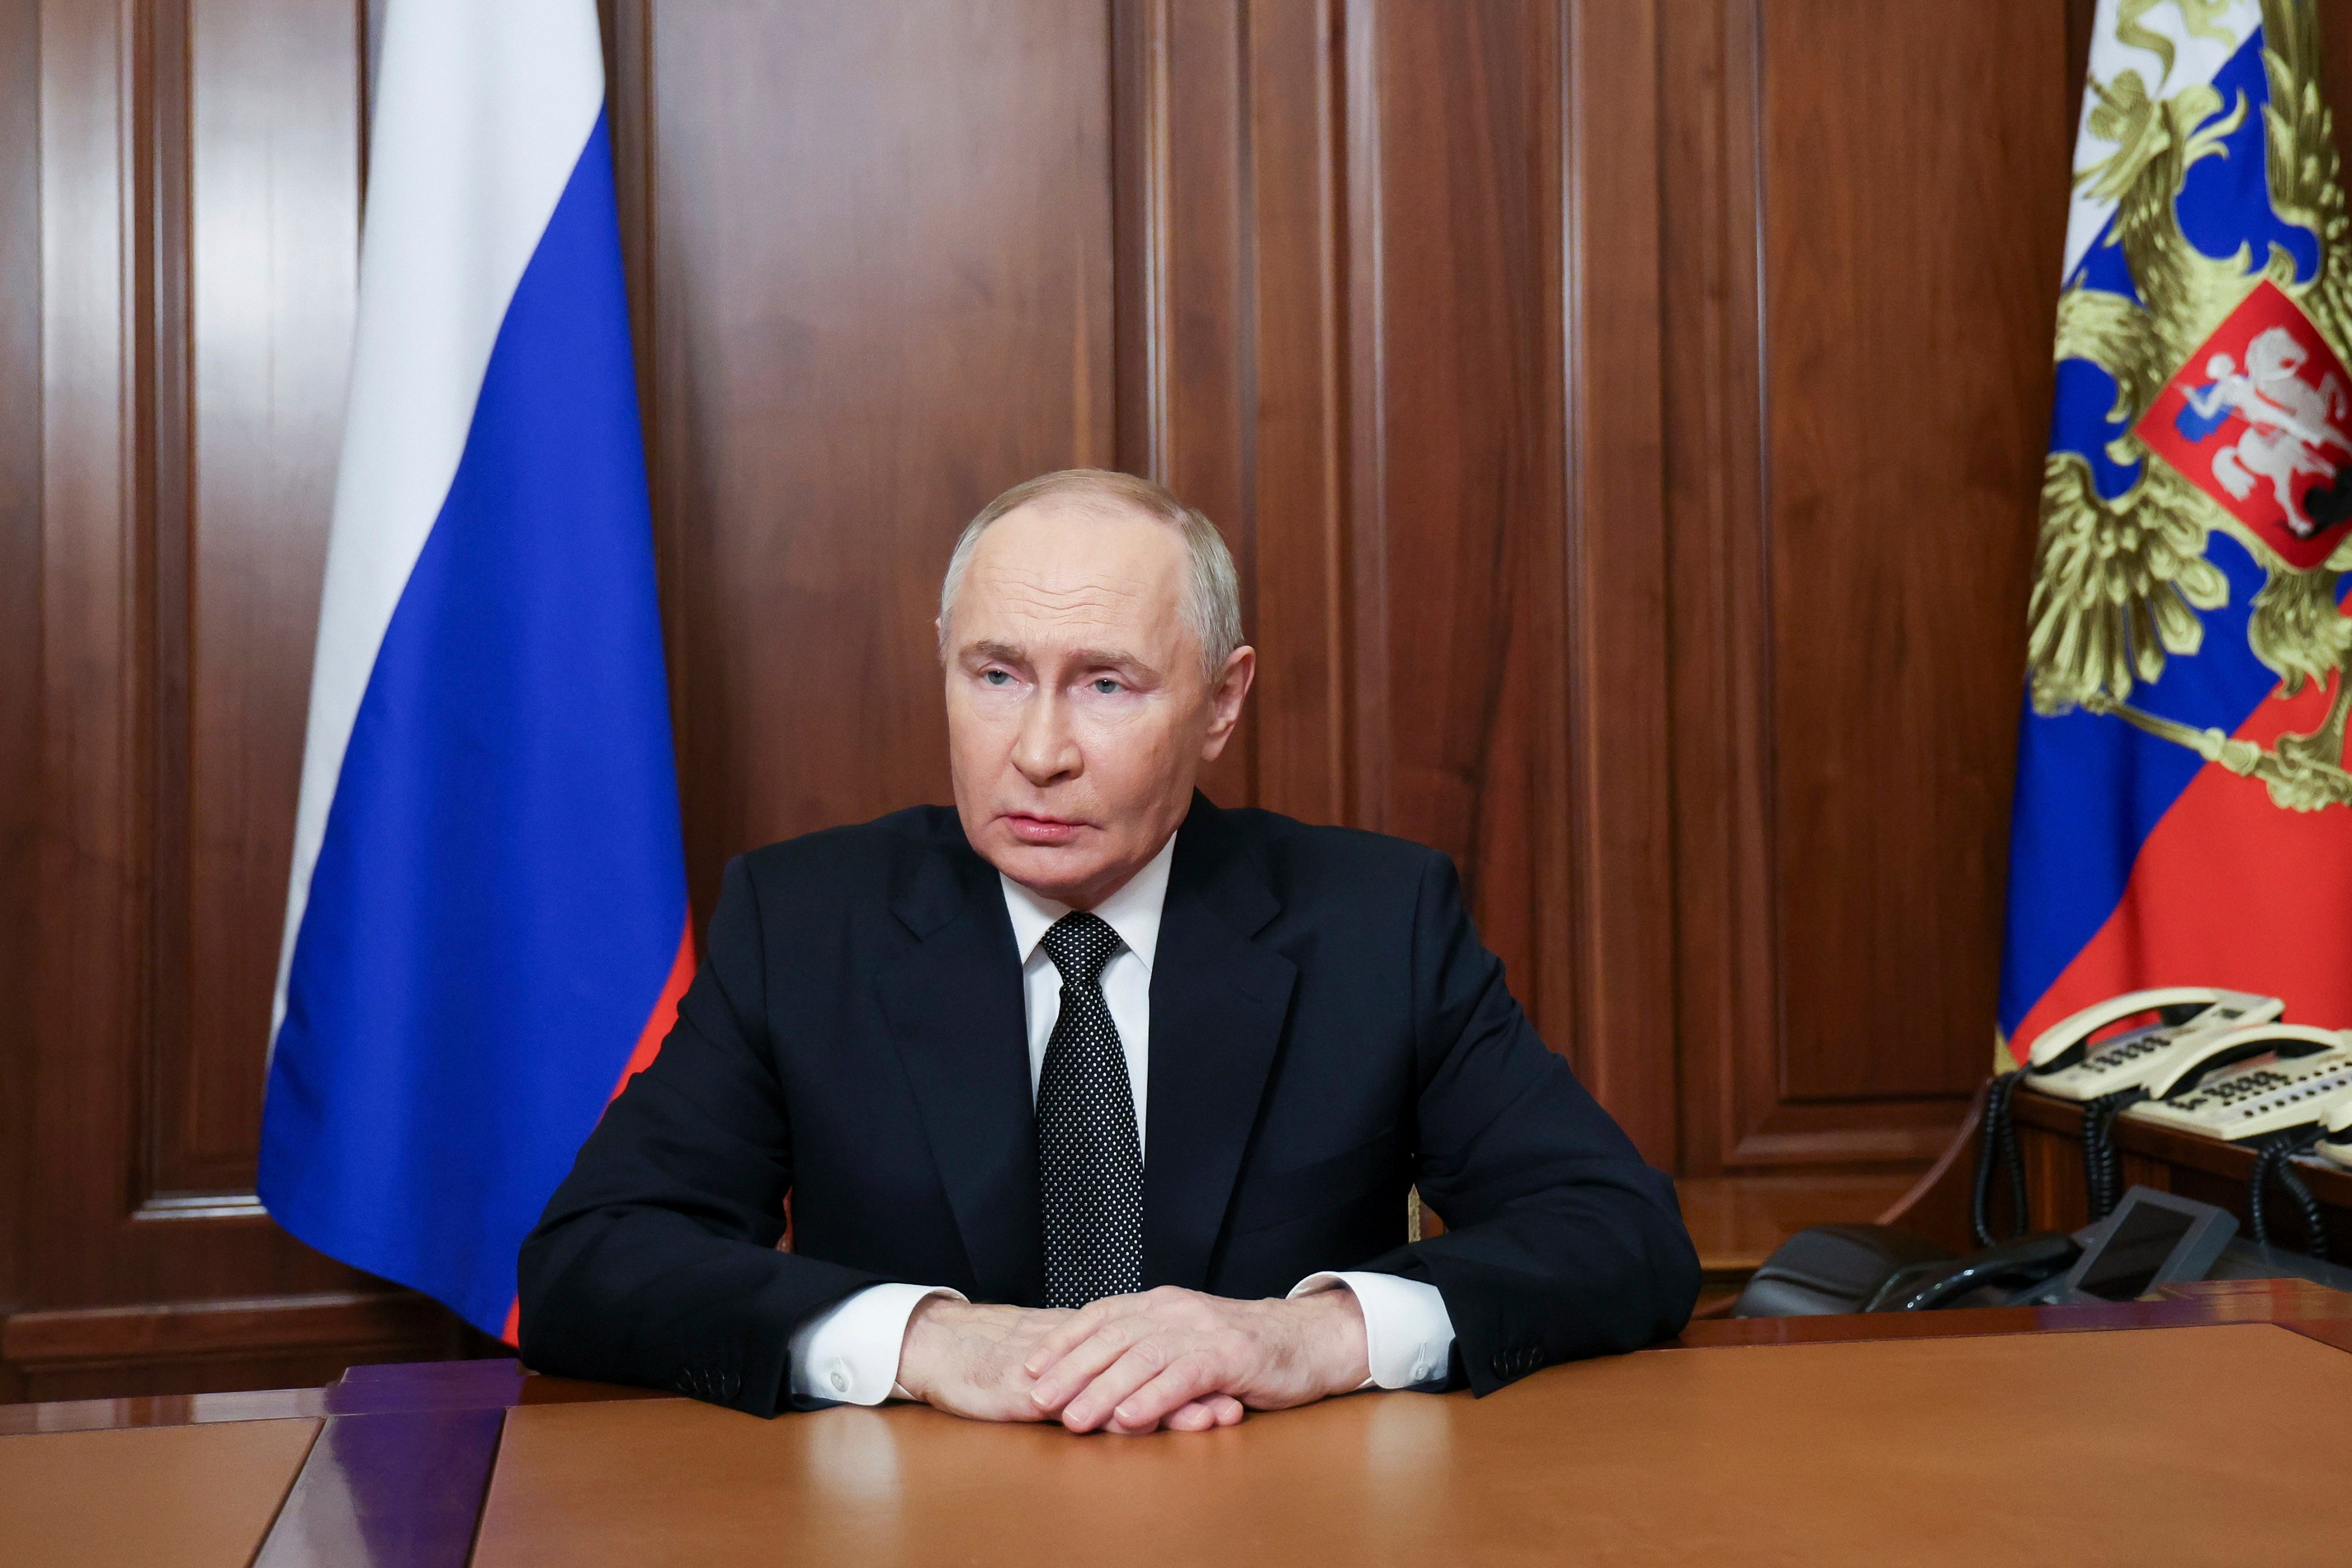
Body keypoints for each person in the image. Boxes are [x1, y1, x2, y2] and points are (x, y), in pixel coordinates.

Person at [518, 469, 1698, 1433]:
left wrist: (1307, 1336)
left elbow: (1619, 1235)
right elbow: (590, 1264)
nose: (1036, 752)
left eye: (1105, 686)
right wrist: (925, 1340)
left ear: (1220, 703)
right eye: (993, 676)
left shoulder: (1372, 920)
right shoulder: (804, 919)